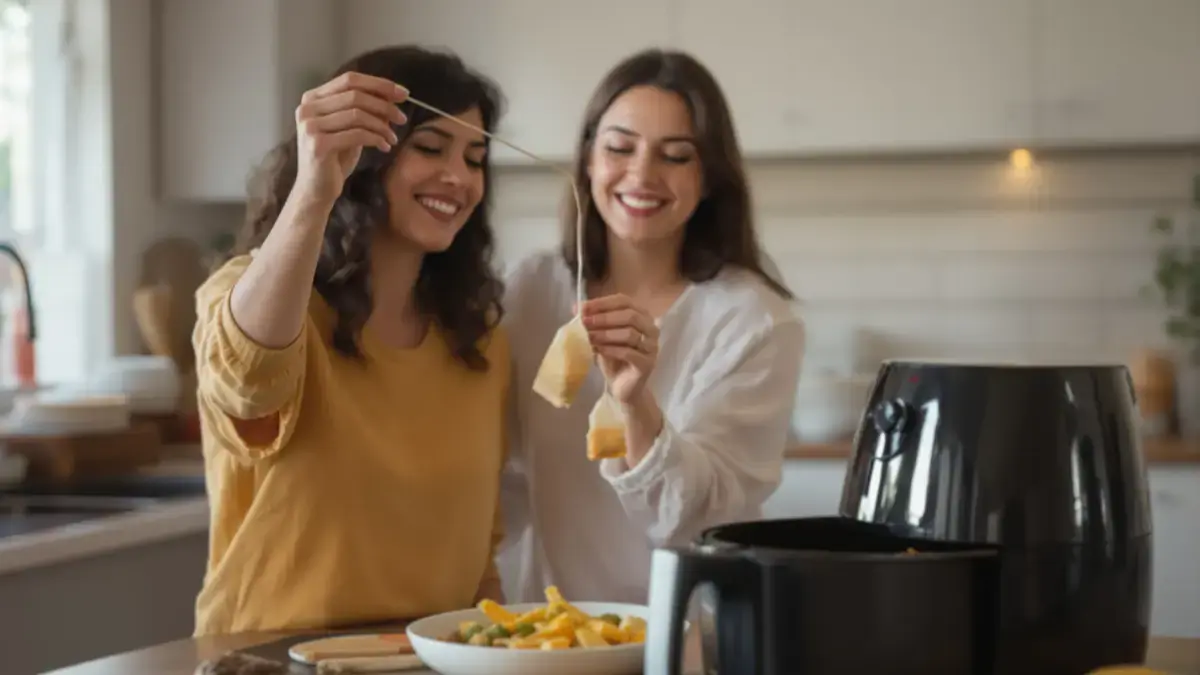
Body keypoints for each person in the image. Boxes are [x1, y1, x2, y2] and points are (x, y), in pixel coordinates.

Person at [191, 46, 510, 636]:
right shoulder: (249, 293)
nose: (460, 178)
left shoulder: (479, 341)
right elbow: (250, 384)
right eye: (431, 148)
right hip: (272, 660)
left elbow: (478, 548)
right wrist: (316, 189)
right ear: (363, 158)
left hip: (436, 658)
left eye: (476, 157)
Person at [498, 49, 805, 604]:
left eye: (676, 156)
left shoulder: (755, 321)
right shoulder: (530, 290)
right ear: (588, 159)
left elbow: (703, 522)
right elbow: (504, 481)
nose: (642, 175)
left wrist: (636, 401)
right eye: (619, 147)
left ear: (709, 177)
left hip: (687, 632)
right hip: (545, 633)